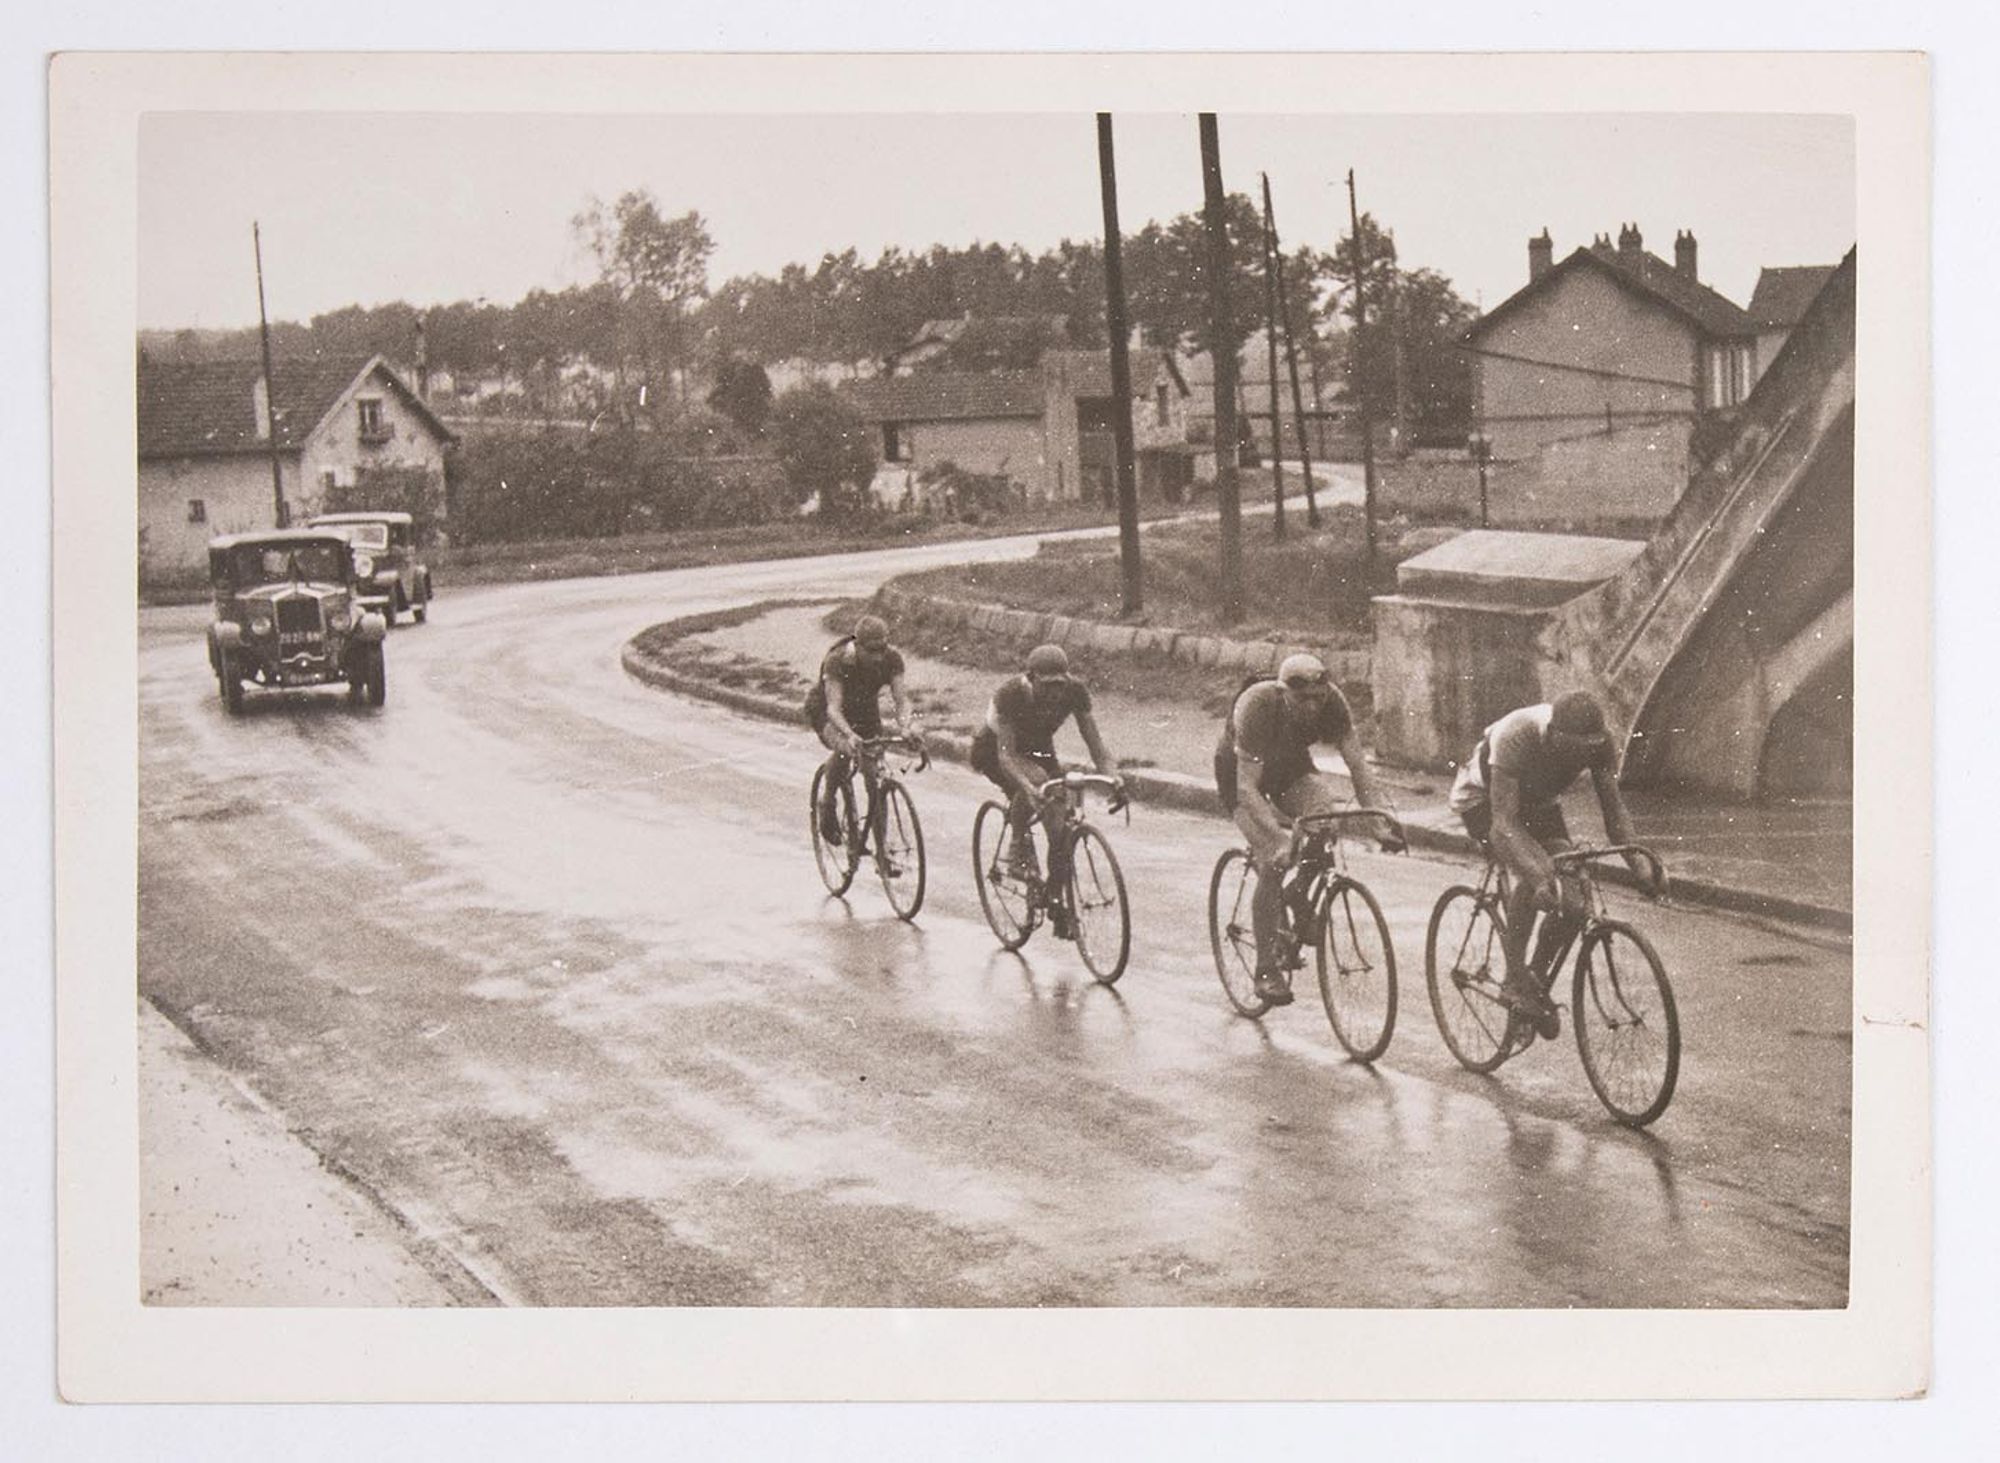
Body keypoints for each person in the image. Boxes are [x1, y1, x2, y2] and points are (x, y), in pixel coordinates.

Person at [1447, 690, 1661, 1038]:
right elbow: (1504, 826)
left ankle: (1536, 983)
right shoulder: (1518, 735)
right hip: (1485, 803)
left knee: (1574, 905)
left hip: (1539, 803)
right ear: (1552, 735)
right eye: (1572, 751)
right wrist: (1539, 876)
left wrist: (1639, 863)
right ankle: (1515, 980)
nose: (1580, 758)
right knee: (1540, 879)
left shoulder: (1599, 744)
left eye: (1587, 750)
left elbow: (1614, 811)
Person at [1215, 652, 1400, 1006]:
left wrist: (1377, 822)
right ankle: (1266, 969)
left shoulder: (1334, 703)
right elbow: (1247, 788)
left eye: (1319, 697)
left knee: (1324, 814)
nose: (1313, 706)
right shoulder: (1258, 705)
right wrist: (1277, 838)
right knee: (1274, 861)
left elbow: (1359, 767)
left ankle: (1299, 893)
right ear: (1284, 694)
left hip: (1289, 766)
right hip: (1240, 774)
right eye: (1303, 699)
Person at [969, 643, 1125, 932]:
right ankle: (1016, 849)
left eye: (1060, 685)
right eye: (1048, 685)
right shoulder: (1011, 694)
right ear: (1031, 677)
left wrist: (1111, 776)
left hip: (1039, 748)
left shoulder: (1075, 692)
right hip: (995, 750)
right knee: (1036, 784)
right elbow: (1006, 756)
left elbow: (1095, 743)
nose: (1056, 693)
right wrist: (1027, 787)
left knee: (1060, 829)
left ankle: (1054, 901)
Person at [805, 615, 912, 843]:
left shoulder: (891, 659)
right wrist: (850, 735)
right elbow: (834, 709)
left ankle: (881, 852)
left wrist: (906, 726)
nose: (878, 656)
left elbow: (901, 700)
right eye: (872, 650)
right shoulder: (838, 660)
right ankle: (828, 800)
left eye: (882, 648)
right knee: (846, 749)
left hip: (864, 709)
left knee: (873, 776)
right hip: (826, 710)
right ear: (857, 645)